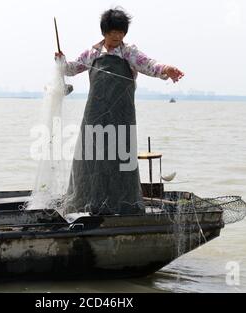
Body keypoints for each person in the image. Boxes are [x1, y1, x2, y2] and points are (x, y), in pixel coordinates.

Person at [56, 8, 184, 216]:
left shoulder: (128, 52)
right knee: (91, 156)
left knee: (120, 157)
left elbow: (149, 64)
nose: (117, 37)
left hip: (121, 114)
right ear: (104, 32)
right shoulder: (93, 53)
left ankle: (123, 204)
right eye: (113, 32)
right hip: (94, 113)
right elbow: (71, 69)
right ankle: (86, 203)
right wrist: (61, 62)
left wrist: (166, 69)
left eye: (121, 33)